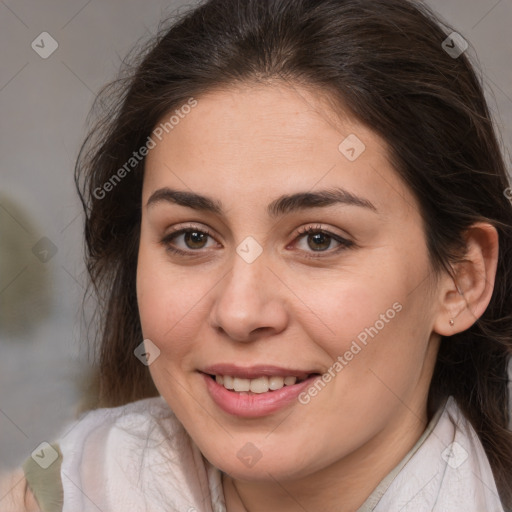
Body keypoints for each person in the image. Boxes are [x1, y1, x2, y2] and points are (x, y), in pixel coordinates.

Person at [2, 0, 511, 510]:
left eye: (319, 239)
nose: (240, 312)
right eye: (192, 237)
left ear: (461, 280)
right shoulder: (52, 494)